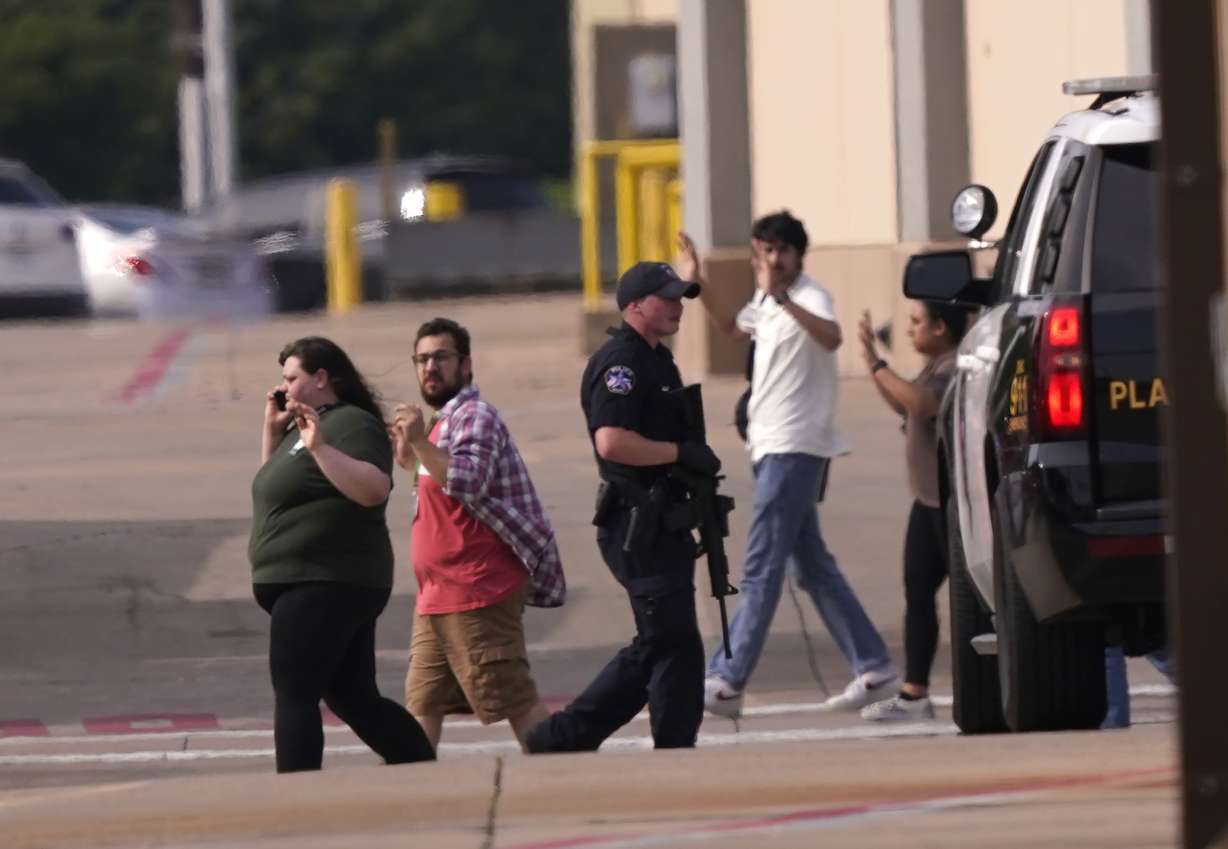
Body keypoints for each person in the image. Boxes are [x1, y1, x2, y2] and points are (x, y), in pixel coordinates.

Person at [681, 212, 899, 719]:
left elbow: (831, 336)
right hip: (771, 446)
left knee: (761, 566)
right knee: (812, 567)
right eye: (765, 251)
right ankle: (874, 666)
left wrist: (781, 297)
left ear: (799, 254)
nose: (773, 260)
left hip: (795, 446)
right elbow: (732, 329)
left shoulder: (808, 296)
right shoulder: (765, 299)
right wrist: (699, 284)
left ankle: (727, 680)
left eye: (781, 251)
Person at [525, 261, 721, 753]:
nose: (678, 306)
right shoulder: (621, 364)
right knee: (664, 639)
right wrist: (679, 454)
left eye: (680, 297)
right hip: (636, 523)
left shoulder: (658, 359)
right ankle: (565, 735)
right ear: (635, 305)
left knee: (674, 639)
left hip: (666, 521)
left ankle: (674, 744)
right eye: (668, 297)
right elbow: (612, 441)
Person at [249, 336, 435, 773]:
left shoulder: (351, 424)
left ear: (320, 378)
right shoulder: (308, 426)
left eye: (291, 378)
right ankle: (418, 764)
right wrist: (273, 432)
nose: (284, 388)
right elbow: (273, 488)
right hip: (314, 580)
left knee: (295, 694)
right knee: (352, 695)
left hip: (326, 579)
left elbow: (373, 489)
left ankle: (298, 793)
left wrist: (318, 448)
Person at [387, 317, 564, 753]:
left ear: (465, 365)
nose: (430, 367)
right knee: (421, 707)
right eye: (422, 359)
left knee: (517, 702)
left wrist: (421, 446)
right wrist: (409, 454)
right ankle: (413, 799)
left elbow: (468, 480)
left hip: (477, 591)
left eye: (441, 358)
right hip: (437, 595)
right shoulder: (441, 423)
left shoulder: (474, 415)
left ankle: (561, 776)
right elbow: (438, 490)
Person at [855, 301, 964, 721]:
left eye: (917, 323)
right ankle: (914, 694)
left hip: (952, 505)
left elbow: (922, 406)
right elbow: (904, 406)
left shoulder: (953, 366)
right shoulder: (934, 365)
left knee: (967, 599)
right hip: (927, 501)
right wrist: (871, 363)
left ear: (940, 328)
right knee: (917, 593)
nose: (910, 331)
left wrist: (880, 365)